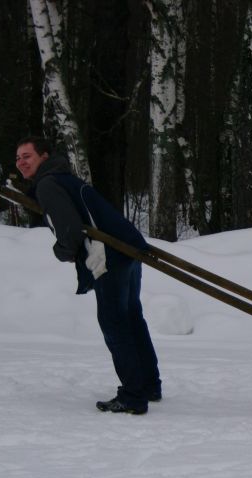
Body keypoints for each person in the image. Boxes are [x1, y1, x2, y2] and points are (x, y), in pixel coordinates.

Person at [15, 136, 161, 415]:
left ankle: (133, 395)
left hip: (109, 254)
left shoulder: (48, 184)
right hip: (127, 248)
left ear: (44, 157)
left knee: (115, 323)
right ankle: (149, 385)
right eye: (18, 158)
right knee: (131, 318)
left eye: (27, 156)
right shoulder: (64, 178)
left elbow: (69, 229)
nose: (21, 162)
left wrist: (63, 251)